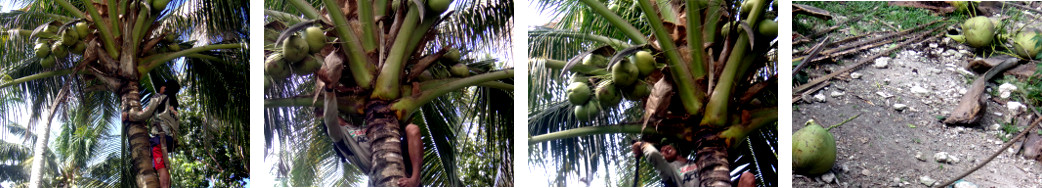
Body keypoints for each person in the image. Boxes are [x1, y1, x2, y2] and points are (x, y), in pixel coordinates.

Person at [632, 141, 756, 187]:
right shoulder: (670, 170)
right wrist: (641, 145)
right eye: (662, 151)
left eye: (666, 146)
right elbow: (654, 155)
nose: (665, 149)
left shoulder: (699, 160)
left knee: (747, 177)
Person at [147, 80, 180, 188]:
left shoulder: (160, 98)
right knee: (164, 166)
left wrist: (129, 116)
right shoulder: (174, 108)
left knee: (161, 167)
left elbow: (146, 113)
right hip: (169, 139)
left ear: (165, 88)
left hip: (160, 138)